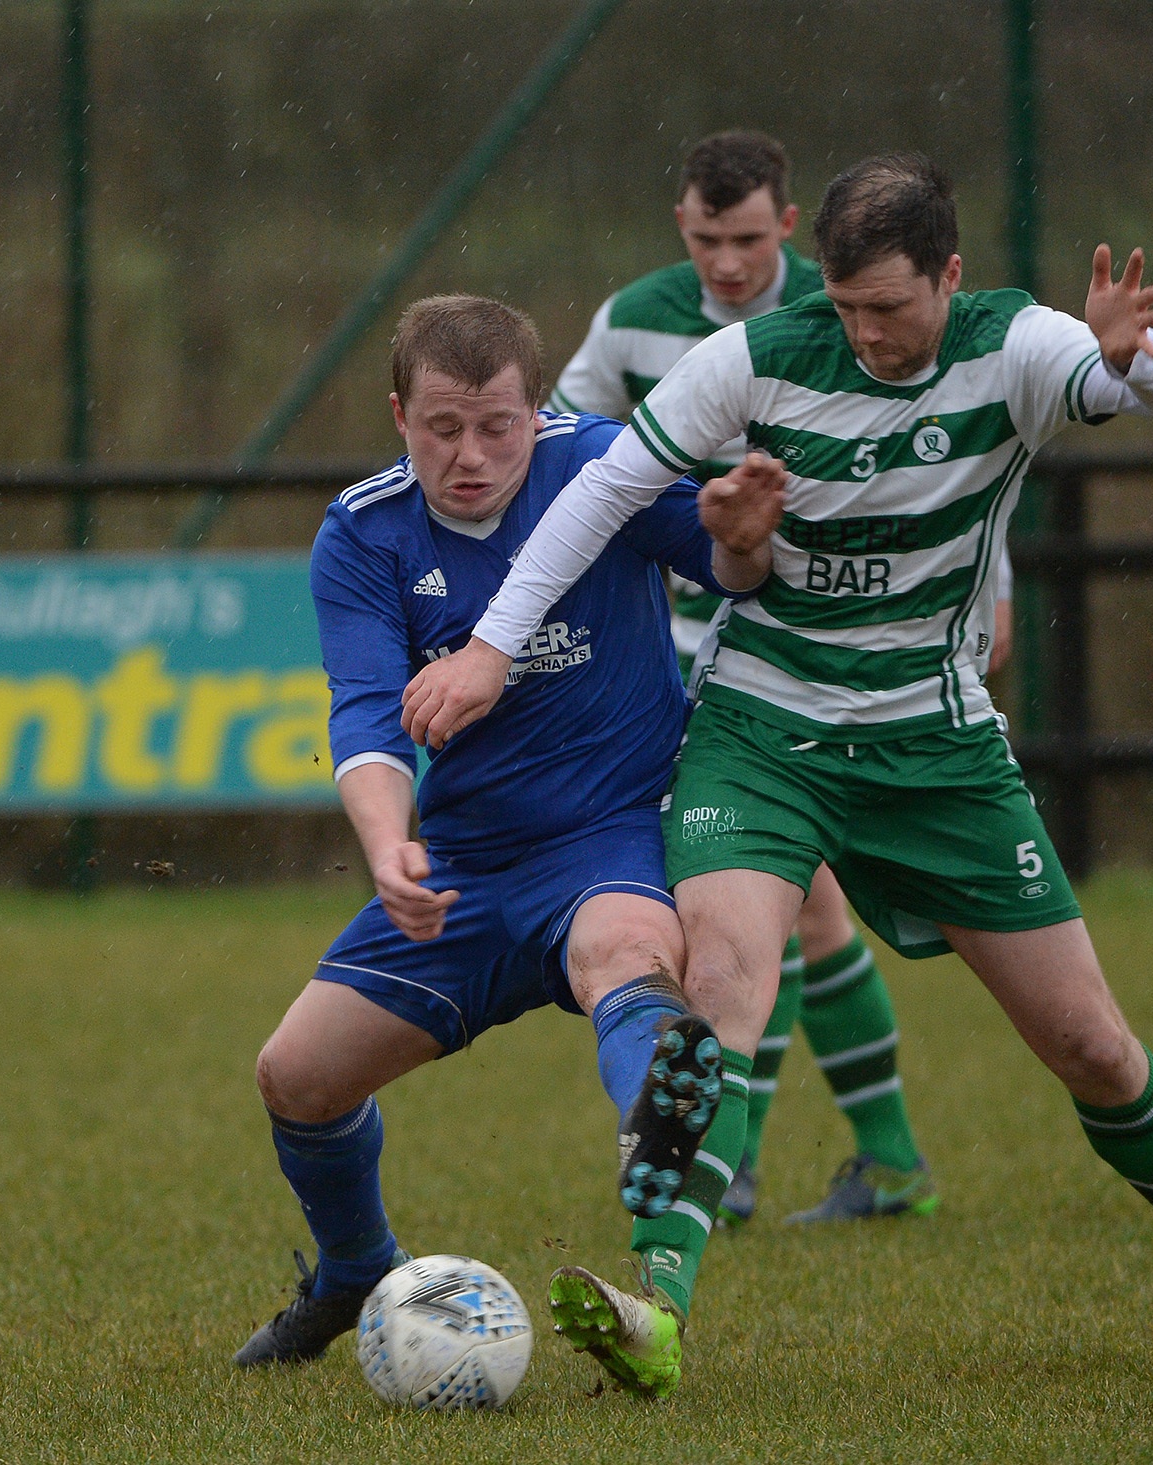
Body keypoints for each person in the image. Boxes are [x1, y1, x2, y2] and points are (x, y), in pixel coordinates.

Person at [403, 154, 1153, 1390]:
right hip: (760, 732)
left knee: (1092, 1047)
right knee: (722, 989)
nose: (865, 335)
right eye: (845, 309)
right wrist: (490, 649)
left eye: (890, 309)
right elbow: (599, 493)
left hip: (935, 747)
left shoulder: (1017, 344)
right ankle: (657, 1305)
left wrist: (1131, 359)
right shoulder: (755, 355)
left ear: (949, 278)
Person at [231, 294, 780, 1373]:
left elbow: (728, 566)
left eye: (498, 425)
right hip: (467, 871)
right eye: (442, 428)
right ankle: (353, 1270)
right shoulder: (363, 532)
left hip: (613, 834)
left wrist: (747, 543)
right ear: (399, 415)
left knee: (628, 953)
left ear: (540, 407)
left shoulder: (608, 463)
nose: (471, 455)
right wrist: (390, 845)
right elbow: (365, 712)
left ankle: (659, 1118)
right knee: (296, 1075)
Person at [551, 129, 980, 1226]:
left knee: (789, 916)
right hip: (686, 653)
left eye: (746, 240)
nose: (726, 265)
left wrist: (995, 585)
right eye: (706, 240)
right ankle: (875, 1158)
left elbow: (949, 452)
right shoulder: (635, 319)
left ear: (787, 226)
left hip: (809, 651)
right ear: (681, 227)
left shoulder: (851, 313)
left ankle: (753, 1164)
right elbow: (561, 448)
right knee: (795, 914)